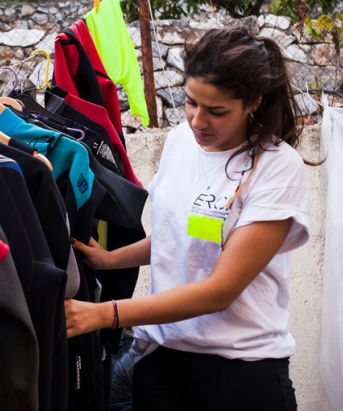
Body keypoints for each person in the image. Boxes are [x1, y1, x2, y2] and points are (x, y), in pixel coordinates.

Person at [66, 27, 311, 410]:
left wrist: (105, 314)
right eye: (190, 102)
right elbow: (176, 232)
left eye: (217, 111)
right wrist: (113, 259)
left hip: (240, 371)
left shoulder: (277, 168)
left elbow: (220, 291)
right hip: (161, 361)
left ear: (254, 103)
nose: (198, 121)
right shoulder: (181, 141)